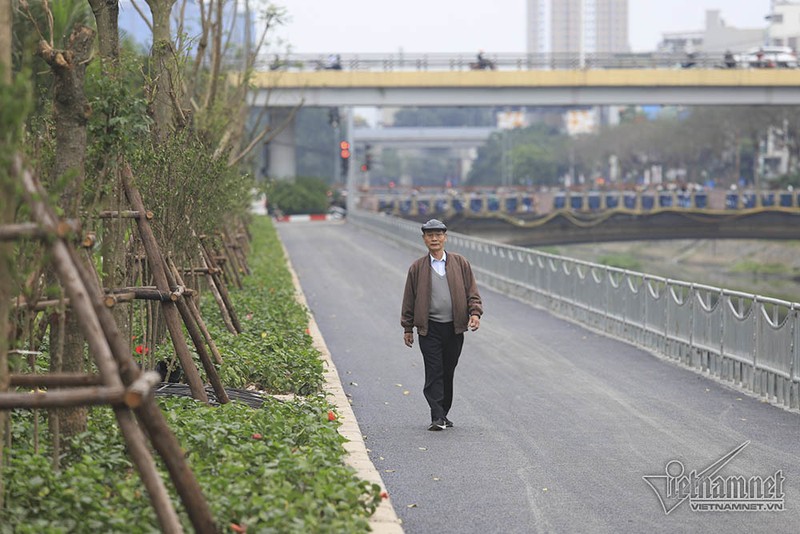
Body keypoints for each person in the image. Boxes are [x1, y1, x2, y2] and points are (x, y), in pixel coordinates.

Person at [401, 219, 483, 431]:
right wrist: (408, 328)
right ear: (424, 239)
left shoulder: (460, 263)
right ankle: (436, 416)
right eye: (430, 235)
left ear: (445, 237)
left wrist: (475, 313)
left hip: (454, 328)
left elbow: (471, 292)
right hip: (429, 329)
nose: (434, 239)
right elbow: (409, 299)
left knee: (448, 371)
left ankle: (443, 413)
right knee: (434, 371)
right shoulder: (417, 268)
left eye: (438, 235)